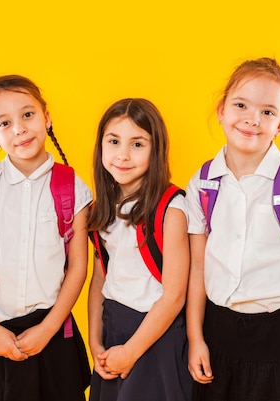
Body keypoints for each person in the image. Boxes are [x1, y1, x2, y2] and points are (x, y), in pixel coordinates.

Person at [185, 58, 280, 401]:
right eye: (241, 105)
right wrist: (196, 339)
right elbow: (197, 268)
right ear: (222, 110)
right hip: (219, 335)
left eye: (267, 112)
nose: (253, 119)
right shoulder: (203, 183)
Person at [0, 75, 92, 401]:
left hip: (51, 335)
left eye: (28, 115)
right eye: (5, 122)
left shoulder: (73, 188)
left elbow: (77, 268)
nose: (19, 128)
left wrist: (47, 330)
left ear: (46, 117)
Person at [87, 98, 192, 401]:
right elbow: (99, 282)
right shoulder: (102, 209)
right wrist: (96, 344)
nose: (123, 154)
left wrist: (131, 352)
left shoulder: (171, 208)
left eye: (137, 144)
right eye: (114, 141)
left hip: (154, 336)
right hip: (113, 330)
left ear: (155, 150)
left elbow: (174, 296)